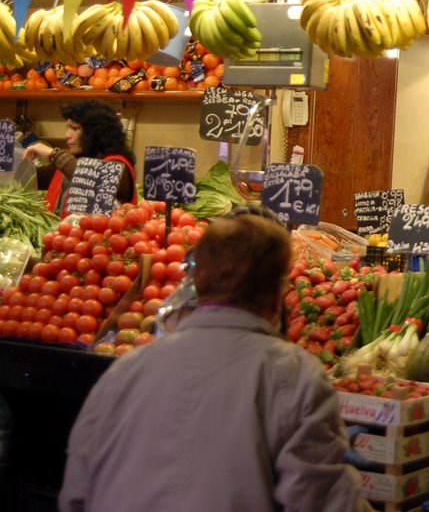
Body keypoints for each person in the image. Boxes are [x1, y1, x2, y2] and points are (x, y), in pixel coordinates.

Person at [59, 214, 371, 512]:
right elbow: (323, 501)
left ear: (197, 284)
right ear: (279, 292)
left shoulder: (125, 370)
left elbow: (75, 492)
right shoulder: (294, 377)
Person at [23, 100, 137, 217]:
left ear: (97, 132)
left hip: (104, 235)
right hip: (61, 234)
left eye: (75, 128)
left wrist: (54, 154)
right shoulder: (76, 160)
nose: (67, 135)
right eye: (67, 128)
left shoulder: (117, 164)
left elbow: (93, 180)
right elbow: (31, 177)